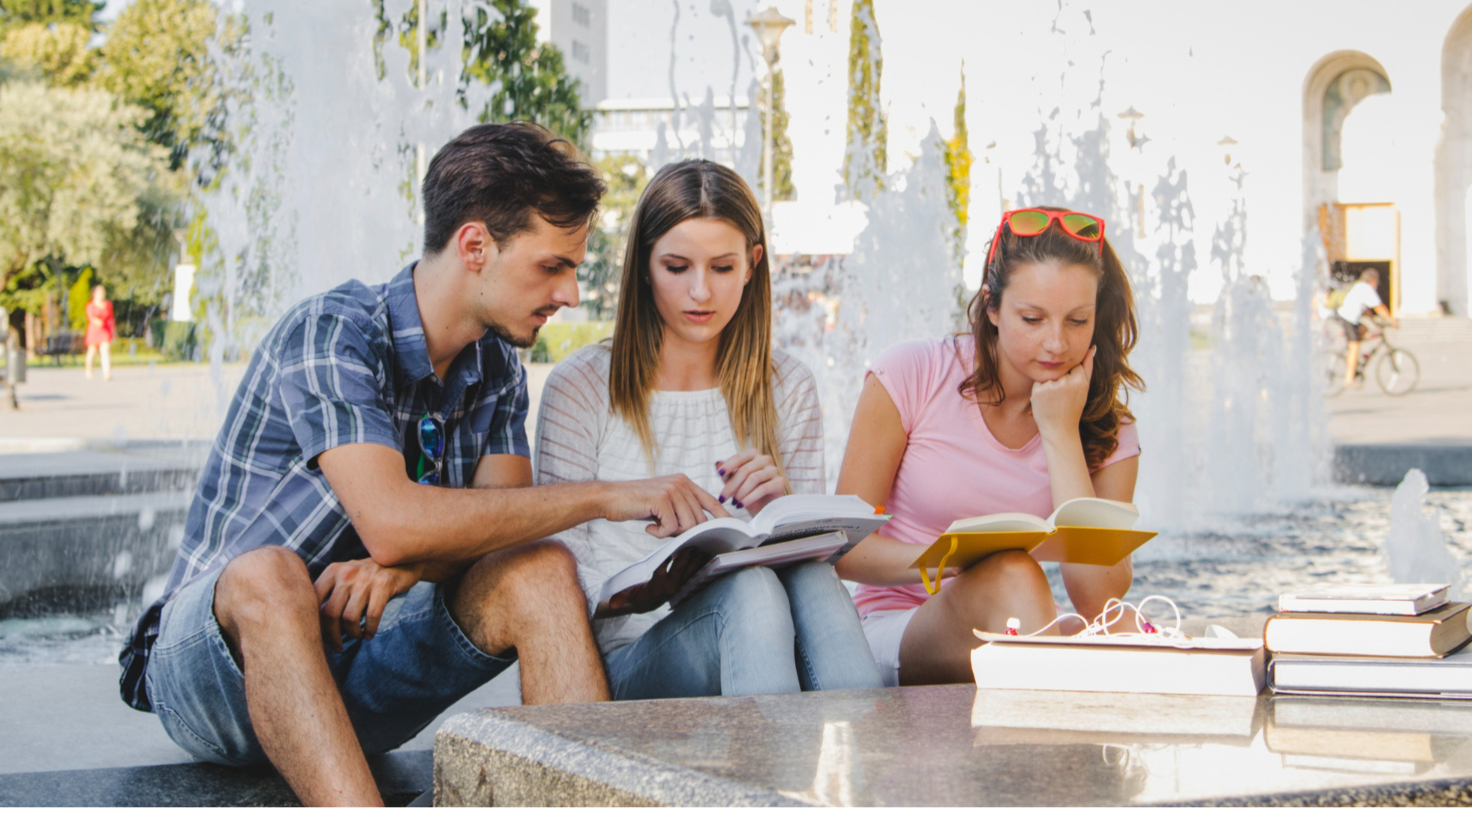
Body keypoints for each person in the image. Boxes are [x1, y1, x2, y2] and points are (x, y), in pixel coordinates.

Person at [118, 123, 728, 806]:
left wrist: (403, 566)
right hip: (213, 674)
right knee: (270, 574)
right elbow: (394, 522)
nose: (570, 295)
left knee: (540, 569)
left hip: (353, 658)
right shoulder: (331, 332)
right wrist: (607, 495)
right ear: (475, 246)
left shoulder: (496, 366)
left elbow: (503, 531)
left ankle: (585, 815)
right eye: (553, 266)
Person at [534, 160, 881, 699]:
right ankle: (775, 781)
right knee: (749, 590)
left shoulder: (788, 384)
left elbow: (818, 572)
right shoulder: (582, 387)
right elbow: (552, 588)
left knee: (810, 578)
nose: (701, 292)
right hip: (628, 660)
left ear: (752, 265)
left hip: (760, 651)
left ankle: (860, 767)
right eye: (677, 267)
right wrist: (651, 589)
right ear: (645, 266)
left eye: (722, 268)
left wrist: (781, 509)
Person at [833, 207, 1145, 686]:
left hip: (1019, 626)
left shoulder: (1110, 428)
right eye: (1033, 318)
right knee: (1012, 574)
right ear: (992, 307)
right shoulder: (912, 373)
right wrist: (954, 561)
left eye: (1077, 321)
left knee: (1118, 625)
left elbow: (1097, 597)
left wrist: (1060, 433)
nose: (1056, 343)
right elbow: (846, 549)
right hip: (898, 629)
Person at [1337, 267, 1397, 387]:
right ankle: (1349, 378)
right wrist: (1392, 320)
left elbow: (1367, 311)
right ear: (1372, 281)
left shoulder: (1360, 287)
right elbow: (1378, 307)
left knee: (1365, 330)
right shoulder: (1366, 289)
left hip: (1350, 318)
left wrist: (1374, 322)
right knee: (1355, 347)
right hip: (1347, 319)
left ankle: (1355, 354)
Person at [84, 284, 115, 381]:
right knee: (92, 352)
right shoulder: (90, 305)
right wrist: (96, 321)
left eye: (103, 292)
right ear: (94, 293)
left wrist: (114, 330)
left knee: (105, 350)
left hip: (105, 331)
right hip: (94, 331)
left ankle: (107, 372)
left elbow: (111, 318)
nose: (102, 294)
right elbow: (91, 317)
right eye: (99, 292)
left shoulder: (108, 304)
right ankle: (89, 369)